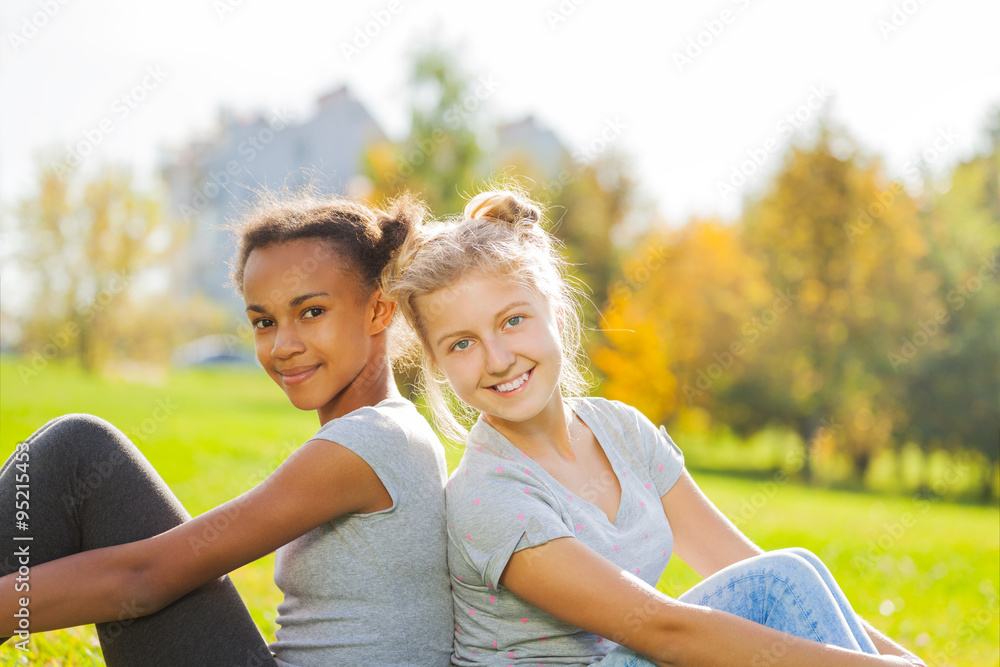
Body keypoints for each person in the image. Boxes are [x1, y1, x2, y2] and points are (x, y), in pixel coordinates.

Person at [380, 187, 927, 667]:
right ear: (435, 363)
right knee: (783, 582)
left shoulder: (621, 430)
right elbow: (664, 631)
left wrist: (902, 660)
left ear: (554, 309)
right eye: (462, 344)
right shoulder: (488, 499)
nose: (497, 359)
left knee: (790, 572)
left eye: (512, 320)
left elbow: (741, 566)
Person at [0, 190, 454, 667]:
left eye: (312, 311)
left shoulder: (371, 442)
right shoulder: (391, 432)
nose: (282, 345)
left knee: (81, 453)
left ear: (379, 310)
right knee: (81, 450)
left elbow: (145, 579)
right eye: (264, 321)